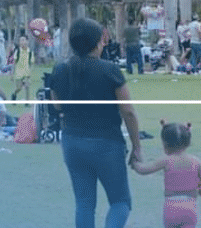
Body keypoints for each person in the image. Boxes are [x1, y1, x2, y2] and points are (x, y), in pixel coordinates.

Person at [51, 18, 143, 228]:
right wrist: (137, 146)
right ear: (97, 42)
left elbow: (57, 105)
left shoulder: (60, 70)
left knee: (84, 204)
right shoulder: (110, 70)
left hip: (73, 141)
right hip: (107, 142)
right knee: (120, 202)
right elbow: (128, 112)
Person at [130, 121, 201, 228]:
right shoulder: (196, 161)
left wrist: (135, 163)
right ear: (188, 142)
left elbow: (144, 170)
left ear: (165, 144)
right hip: (190, 206)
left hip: (172, 207)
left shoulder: (166, 160)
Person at [10, 35, 34, 101]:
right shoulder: (17, 51)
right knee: (19, 88)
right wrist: (12, 74)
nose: (22, 42)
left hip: (26, 73)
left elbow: (31, 63)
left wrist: (30, 72)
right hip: (18, 73)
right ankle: (14, 94)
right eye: (20, 40)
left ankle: (27, 101)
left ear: (27, 41)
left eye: (23, 40)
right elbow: (14, 63)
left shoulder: (30, 52)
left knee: (27, 87)